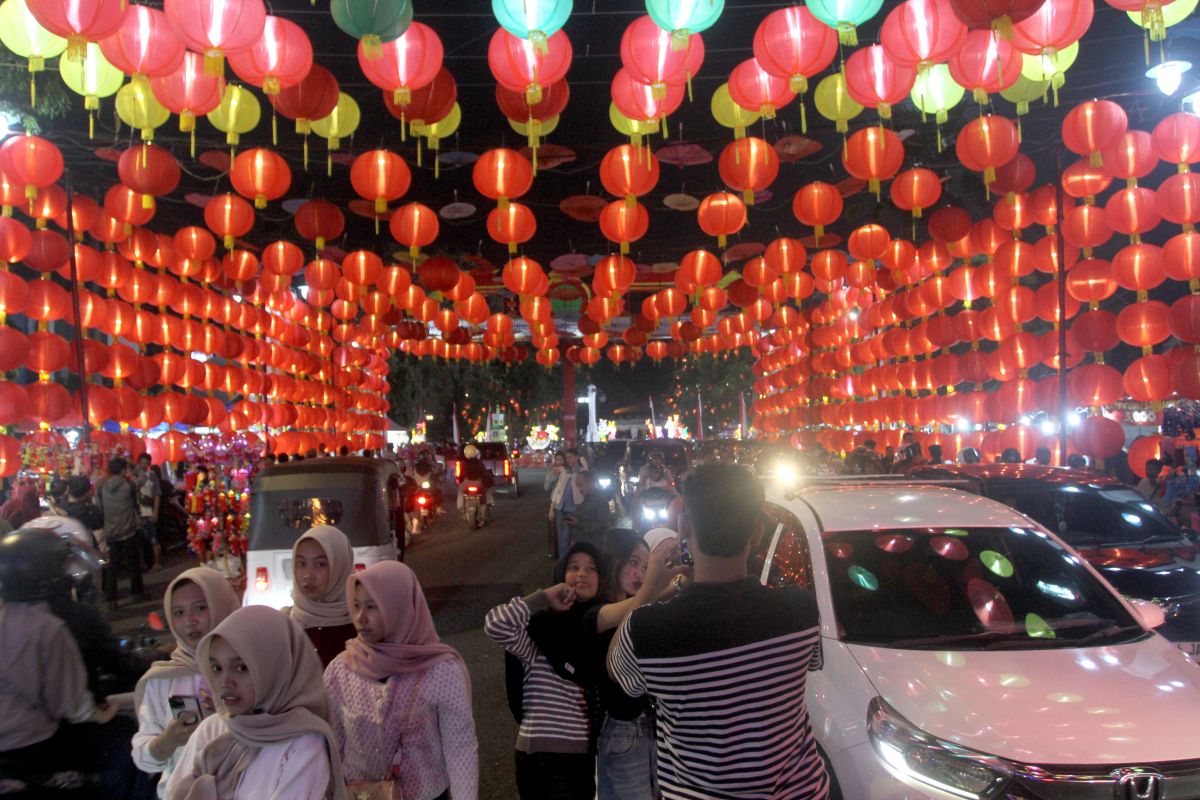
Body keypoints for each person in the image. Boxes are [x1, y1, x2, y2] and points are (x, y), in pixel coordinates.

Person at [607, 464, 829, 799]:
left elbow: (616, 669)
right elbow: (810, 664)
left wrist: (649, 590)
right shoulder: (800, 609)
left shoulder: (648, 631)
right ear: (757, 533)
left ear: (684, 526)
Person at [0, 527, 136, 799]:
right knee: (124, 739)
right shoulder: (49, 627)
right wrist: (102, 713)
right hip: (33, 744)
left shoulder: (7, 615)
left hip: (7, 743)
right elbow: (72, 706)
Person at [325, 561, 478, 799]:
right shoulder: (341, 671)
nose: (360, 617)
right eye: (356, 606)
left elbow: (459, 746)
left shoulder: (439, 669)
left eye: (372, 607)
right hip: (359, 795)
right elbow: (331, 744)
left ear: (399, 607)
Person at [164, 606, 345, 800]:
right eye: (216, 668)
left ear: (275, 669)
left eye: (242, 668)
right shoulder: (211, 729)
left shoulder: (303, 743)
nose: (225, 682)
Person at [484, 543, 602, 800]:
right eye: (574, 567)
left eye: (592, 568)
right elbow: (496, 625)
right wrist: (544, 597)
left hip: (583, 761)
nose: (583, 573)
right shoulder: (540, 632)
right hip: (544, 759)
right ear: (561, 575)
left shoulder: (598, 634)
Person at [133, 569, 241, 797]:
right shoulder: (164, 679)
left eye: (200, 608)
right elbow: (143, 757)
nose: (189, 622)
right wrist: (166, 743)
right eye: (179, 613)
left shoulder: (252, 667)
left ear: (221, 605)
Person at [583, 530, 659, 800]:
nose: (640, 573)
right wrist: (668, 585)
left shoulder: (637, 609)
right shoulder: (595, 612)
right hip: (620, 729)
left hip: (646, 726)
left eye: (646, 567)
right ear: (613, 559)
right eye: (633, 562)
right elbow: (628, 610)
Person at [287, 526, 358, 667]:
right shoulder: (285, 627)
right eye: (301, 563)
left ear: (340, 566)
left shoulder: (363, 626)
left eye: (320, 564)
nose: (308, 575)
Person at [98, 457, 147, 605]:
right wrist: (134, 466)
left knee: (112, 566)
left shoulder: (102, 487)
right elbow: (143, 477)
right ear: (123, 470)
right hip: (128, 530)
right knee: (134, 564)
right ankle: (137, 593)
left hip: (111, 532)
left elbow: (100, 507)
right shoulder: (128, 486)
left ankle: (111, 599)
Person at [551, 449, 586, 558]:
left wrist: (581, 460)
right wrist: (552, 507)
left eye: (571, 457)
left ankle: (573, 559)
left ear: (577, 457)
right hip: (560, 508)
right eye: (567, 458)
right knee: (562, 538)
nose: (568, 460)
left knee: (574, 537)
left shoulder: (582, 471)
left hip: (574, 508)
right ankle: (563, 561)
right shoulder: (565, 471)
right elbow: (558, 489)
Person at [566, 472, 611, 547]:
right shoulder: (587, 498)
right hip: (584, 544)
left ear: (591, 483)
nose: (579, 489)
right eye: (577, 486)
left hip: (592, 545)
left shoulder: (600, 500)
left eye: (581, 485)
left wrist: (578, 523)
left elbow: (601, 524)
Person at [136, 454, 164, 573]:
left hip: (148, 512)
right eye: (141, 463)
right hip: (137, 514)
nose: (143, 466)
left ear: (149, 464)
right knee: (139, 541)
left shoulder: (151, 475)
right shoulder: (134, 476)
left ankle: (157, 563)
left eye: (146, 463)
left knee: (153, 539)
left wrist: (155, 512)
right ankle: (142, 564)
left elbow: (157, 495)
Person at [62, 475, 104, 544]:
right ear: (86, 493)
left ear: (68, 489)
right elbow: (98, 524)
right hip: (86, 546)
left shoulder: (59, 507)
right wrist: (90, 502)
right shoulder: (88, 510)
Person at [456, 444, 495, 512]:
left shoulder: (463, 463)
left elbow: (460, 476)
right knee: (487, 490)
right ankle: (490, 502)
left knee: (460, 491)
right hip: (478, 483)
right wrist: (490, 481)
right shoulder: (479, 463)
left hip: (466, 483)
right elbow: (485, 474)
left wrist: (460, 481)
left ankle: (460, 506)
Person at [544, 453, 568, 560]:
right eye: (557, 459)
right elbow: (546, 487)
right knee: (554, 528)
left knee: (564, 529)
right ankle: (554, 552)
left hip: (565, 502)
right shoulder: (552, 471)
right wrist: (553, 476)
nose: (559, 462)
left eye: (561, 459)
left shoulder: (567, 471)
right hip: (554, 502)